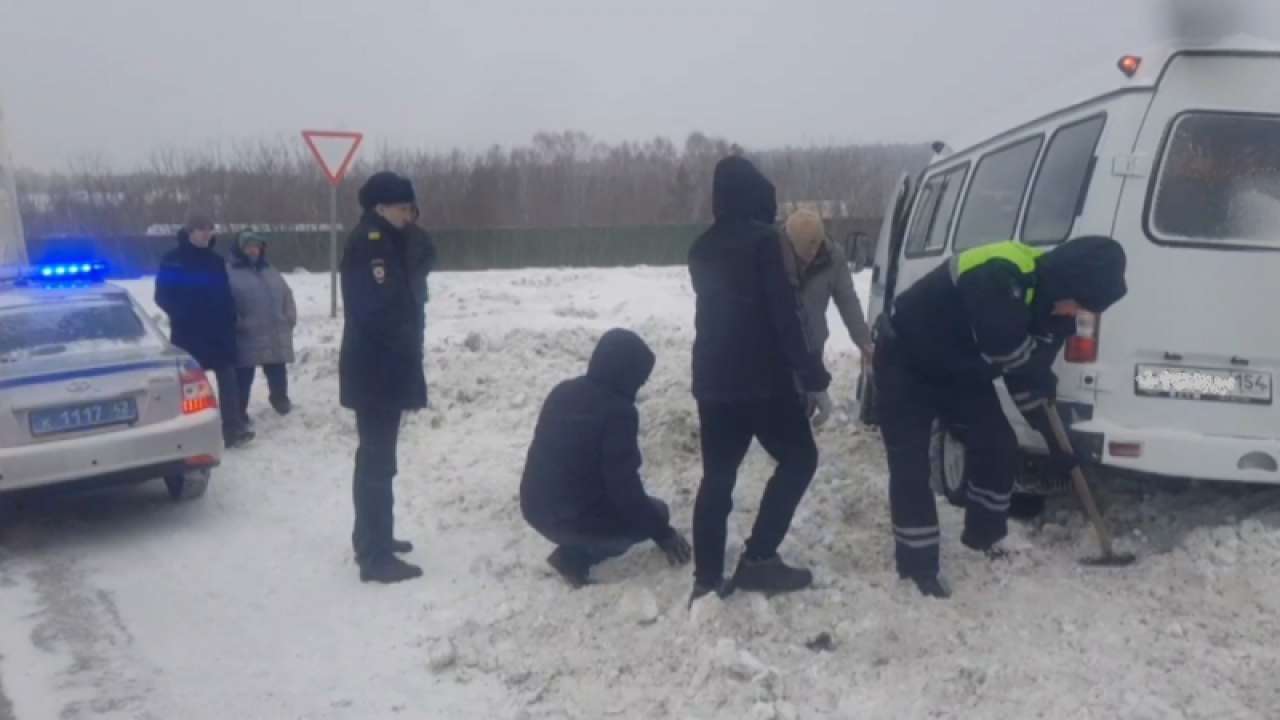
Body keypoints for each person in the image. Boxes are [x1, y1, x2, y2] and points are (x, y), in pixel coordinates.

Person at [874, 236, 1128, 599]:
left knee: (998, 445)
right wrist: (1033, 368)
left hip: (959, 371)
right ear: (1069, 281)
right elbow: (1004, 345)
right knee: (910, 464)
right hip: (906, 360)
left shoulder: (1051, 312)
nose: (1076, 313)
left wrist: (1059, 445)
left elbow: (1028, 381)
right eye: (1079, 303)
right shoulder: (1001, 271)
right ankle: (918, 567)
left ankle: (984, 537)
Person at [688, 155, 833, 604]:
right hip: (763, 382)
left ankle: (706, 580)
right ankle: (759, 559)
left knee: (717, 477)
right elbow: (784, 315)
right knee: (800, 458)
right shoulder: (764, 242)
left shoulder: (701, 248)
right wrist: (813, 376)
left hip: (713, 382)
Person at [520, 328, 692, 588]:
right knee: (658, 511)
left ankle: (575, 543)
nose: (639, 385)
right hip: (568, 516)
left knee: (631, 509)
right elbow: (624, 488)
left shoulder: (563, 391)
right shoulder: (618, 413)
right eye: (639, 379)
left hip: (533, 506)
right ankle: (575, 557)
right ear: (627, 373)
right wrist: (662, 532)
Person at [339, 171, 428, 584]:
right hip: (376, 371)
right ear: (380, 207)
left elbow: (425, 260)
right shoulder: (368, 247)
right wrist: (402, 346)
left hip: (384, 370)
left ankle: (376, 536)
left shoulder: (391, 241)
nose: (408, 214)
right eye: (402, 207)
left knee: (379, 460)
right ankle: (374, 558)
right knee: (376, 462)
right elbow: (377, 311)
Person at [155, 214, 254, 449]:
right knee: (191, 385)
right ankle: (191, 430)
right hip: (189, 333)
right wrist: (182, 314)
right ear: (189, 232)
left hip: (219, 332)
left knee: (228, 378)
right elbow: (162, 296)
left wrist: (230, 316)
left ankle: (233, 428)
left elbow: (224, 293)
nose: (206, 234)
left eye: (210, 229)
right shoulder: (173, 260)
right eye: (201, 229)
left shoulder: (215, 260)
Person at [783, 209, 874, 361]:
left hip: (813, 346)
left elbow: (848, 301)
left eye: (815, 247)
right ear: (791, 244)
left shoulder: (833, 258)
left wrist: (864, 342)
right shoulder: (772, 255)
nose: (811, 254)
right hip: (776, 348)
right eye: (805, 251)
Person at [227, 232, 297, 420]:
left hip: (274, 330)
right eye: (248, 246)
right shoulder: (229, 273)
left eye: (256, 246)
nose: (253, 250)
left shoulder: (270, 270)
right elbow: (226, 303)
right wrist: (238, 323)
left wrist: (288, 317)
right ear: (240, 249)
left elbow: (287, 294)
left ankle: (280, 399)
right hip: (247, 334)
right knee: (243, 376)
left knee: (277, 368)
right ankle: (239, 411)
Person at [403, 204, 438, 349]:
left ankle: (416, 351)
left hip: (416, 290)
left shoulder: (421, 235)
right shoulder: (389, 235)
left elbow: (431, 257)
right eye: (403, 211)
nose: (407, 215)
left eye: (410, 212)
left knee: (417, 326)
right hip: (394, 291)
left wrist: (420, 271)